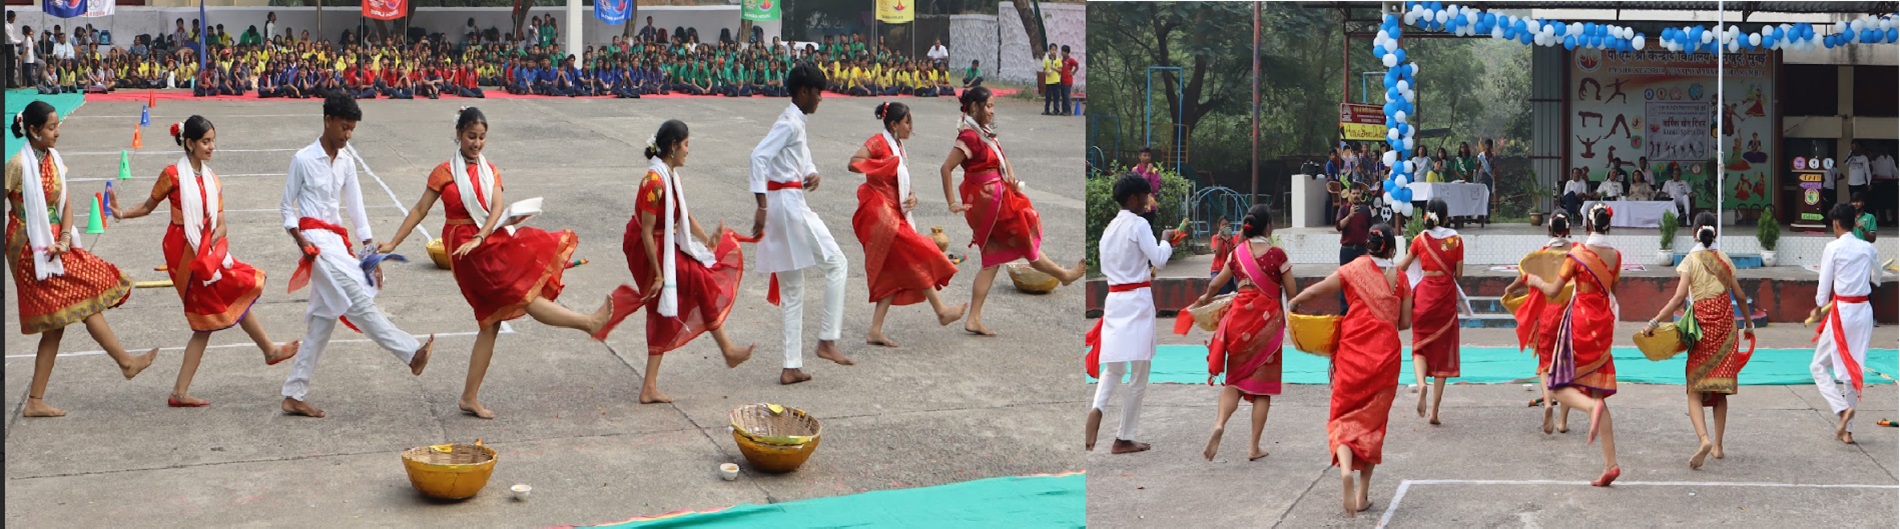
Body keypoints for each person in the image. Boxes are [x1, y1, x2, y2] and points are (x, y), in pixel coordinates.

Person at [376, 107, 620, 417]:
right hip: (465, 250)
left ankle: (469, 397)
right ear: (458, 135)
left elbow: (496, 209)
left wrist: (483, 236)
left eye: (481, 138)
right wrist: (394, 242)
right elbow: (420, 209)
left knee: (491, 321)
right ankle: (588, 323)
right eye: (470, 137)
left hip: (487, 239)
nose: (476, 143)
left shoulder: (491, 171)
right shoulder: (444, 172)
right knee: (522, 295)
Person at [109, 116, 300, 407]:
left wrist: (212, 240)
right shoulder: (172, 175)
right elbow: (149, 206)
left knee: (228, 297)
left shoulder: (213, 180)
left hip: (206, 252)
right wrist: (121, 214)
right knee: (207, 317)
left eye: (213, 140)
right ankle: (262, 353)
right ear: (190, 143)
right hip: (182, 252)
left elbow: (222, 224)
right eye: (206, 141)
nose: (212, 147)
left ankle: (264, 352)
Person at [277, 94, 436, 418]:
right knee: (358, 302)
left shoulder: (347, 161)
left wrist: (369, 254)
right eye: (344, 127)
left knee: (322, 322)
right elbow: (285, 207)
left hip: (336, 243)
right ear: (328, 121)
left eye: (352, 130)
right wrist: (300, 241)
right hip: (316, 247)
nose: (347, 135)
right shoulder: (303, 159)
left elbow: (356, 208)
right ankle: (410, 353)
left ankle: (293, 393)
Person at [6, 101, 161, 417]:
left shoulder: (54, 161)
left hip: (55, 243)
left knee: (58, 323)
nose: (57, 132)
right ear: (33, 131)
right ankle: (125, 362)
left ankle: (35, 401)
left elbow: (65, 205)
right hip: (29, 247)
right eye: (51, 127)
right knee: (85, 292)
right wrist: (34, 241)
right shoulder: (17, 166)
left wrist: (64, 238)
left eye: (57, 125)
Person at [938, 86, 1086, 335]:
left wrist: (1010, 173)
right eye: (988, 106)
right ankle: (1063, 275)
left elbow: (999, 158)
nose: (992, 111)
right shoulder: (969, 137)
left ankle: (973, 318)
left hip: (998, 198)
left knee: (992, 261)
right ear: (975, 107)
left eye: (993, 106)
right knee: (1025, 243)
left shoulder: (982, 133)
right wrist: (952, 202)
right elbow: (946, 168)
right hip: (991, 205)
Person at [1287, 223, 1410, 517]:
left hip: (1352, 352)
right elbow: (1404, 324)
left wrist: (1295, 301)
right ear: (1392, 249)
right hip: (1385, 358)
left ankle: (1344, 469)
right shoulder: (1401, 279)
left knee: (1343, 415)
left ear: (1367, 246)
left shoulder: (1353, 269)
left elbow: (1318, 289)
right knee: (1373, 423)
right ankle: (1361, 495)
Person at [751, 63, 855, 385]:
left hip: (786, 203)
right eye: (817, 92)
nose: (820, 98)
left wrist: (811, 171)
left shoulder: (796, 122)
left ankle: (791, 366)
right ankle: (826, 340)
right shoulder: (789, 123)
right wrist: (761, 205)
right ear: (802, 92)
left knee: (794, 289)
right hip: (788, 207)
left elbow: (800, 156)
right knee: (837, 263)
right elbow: (757, 156)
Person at [847, 102, 967, 347]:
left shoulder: (899, 147)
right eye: (907, 122)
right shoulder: (878, 143)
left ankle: (875, 330)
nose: (911, 127)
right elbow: (854, 163)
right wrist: (883, 165)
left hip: (895, 212)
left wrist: (912, 197)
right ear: (893, 125)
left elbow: (900, 184)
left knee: (896, 268)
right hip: (880, 215)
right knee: (917, 253)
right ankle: (941, 311)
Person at [1644, 211, 1754, 469]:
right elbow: (1739, 296)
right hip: (1726, 327)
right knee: (1720, 388)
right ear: (1715, 232)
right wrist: (1748, 325)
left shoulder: (1690, 261)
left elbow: (1679, 298)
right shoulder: (1725, 259)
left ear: (1694, 232)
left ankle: (1703, 439)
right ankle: (1718, 445)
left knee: (1695, 388)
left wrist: (1654, 321)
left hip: (1702, 328)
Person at [1524, 202, 1622, 487]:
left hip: (1579, 324)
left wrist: (1534, 280)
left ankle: (1590, 410)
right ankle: (1610, 463)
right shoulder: (1616, 257)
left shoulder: (1578, 255)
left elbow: (1554, 290)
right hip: (1603, 327)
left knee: (1555, 386)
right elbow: (1611, 293)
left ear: (1587, 225)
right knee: (1597, 392)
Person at [1189, 204, 1296, 461]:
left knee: (1234, 381)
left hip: (1238, 323)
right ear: (1268, 227)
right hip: (1266, 325)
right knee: (1262, 390)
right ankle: (1253, 447)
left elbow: (1216, 282)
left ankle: (1219, 424)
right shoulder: (1277, 255)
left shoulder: (1237, 253)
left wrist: (1204, 300)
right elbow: (1292, 293)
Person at [1084, 173, 1177, 455]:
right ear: (1134, 197)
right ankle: (1124, 436)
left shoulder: (1110, 229)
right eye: (1146, 196)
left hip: (1114, 298)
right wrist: (1166, 240)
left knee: (1113, 367)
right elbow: (1159, 259)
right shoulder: (1139, 225)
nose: (1148, 201)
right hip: (1137, 300)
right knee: (1139, 372)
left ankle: (1097, 407)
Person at [1808, 203, 1879, 445]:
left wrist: (1818, 307)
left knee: (1818, 366)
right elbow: (1877, 278)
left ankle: (1841, 409)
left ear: (1836, 224)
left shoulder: (1833, 247)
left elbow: (1824, 285)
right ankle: (1848, 431)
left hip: (1843, 312)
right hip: (1863, 312)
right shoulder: (1867, 248)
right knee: (1853, 367)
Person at [1392, 197, 1462, 425]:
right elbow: (1458, 274)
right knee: (1443, 353)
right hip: (1445, 300)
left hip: (1424, 298)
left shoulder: (1420, 239)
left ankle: (1421, 383)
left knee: (1419, 346)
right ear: (1445, 216)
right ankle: (1434, 412)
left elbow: (1402, 266)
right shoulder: (1455, 240)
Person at [1507, 213, 1577, 434]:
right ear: (1568, 229)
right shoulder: (1576, 253)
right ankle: (1563, 422)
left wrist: (1510, 289)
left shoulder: (1541, 255)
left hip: (1546, 314)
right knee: (1567, 366)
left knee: (1545, 366)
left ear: (1549, 230)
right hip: (1569, 315)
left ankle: (1547, 403)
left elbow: (1525, 276)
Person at [1334, 193, 1371, 311]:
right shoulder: (1343, 208)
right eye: (1354, 193)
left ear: (1361, 194)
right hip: (1347, 251)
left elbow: (1371, 227)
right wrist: (1350, 216)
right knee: (1344, 281)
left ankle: (1362, 310)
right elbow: (1339, 226)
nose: (1356, 196)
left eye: (1358, 193)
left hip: (1362, 250)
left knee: (1363, 281)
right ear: (1350, 194)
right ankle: (1344, 312)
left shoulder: (1366, 210)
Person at [1207, 217, 1239, 296]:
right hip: (1217, 269)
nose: (1225, 226)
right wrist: (1219, 239)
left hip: (1230, 269)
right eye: (1223, 225)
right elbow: (1218, 253)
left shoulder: (1234, 238)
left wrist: (1228, 242)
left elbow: (1230, 255)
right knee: (1220, 285)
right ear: (1219, 227)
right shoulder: (1215, 238)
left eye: (1226, 224)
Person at [1059, 45, 1079, 116]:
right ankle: (1064, 110)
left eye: (1064, 52)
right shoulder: (1061, 61)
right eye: (1062, 51)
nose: (1062, 53)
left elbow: (1077, 65)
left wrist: (1073, 72)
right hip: (1062, 80)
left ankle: (1068, 111)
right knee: (1063, 96)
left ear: (1067, 53)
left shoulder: (1070, 60)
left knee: (1067, 96)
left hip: (1068, 81)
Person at [1041, 44, 1059, 115]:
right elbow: (1044, 69)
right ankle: (1046, 110)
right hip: (1048, 81)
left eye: (1055, 50)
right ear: (1049, 50)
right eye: (1052, 50)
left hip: (1056, 80)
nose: (1053, 51)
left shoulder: (1058, 60)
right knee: (1048, 96)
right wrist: (1046, 73)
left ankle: (1056, 110)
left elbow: (1060, 70)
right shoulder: (1046, 59)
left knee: (1056, 96)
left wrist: (1055, 69)